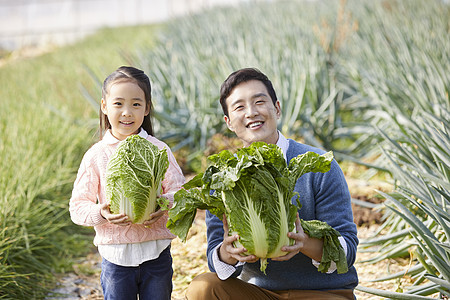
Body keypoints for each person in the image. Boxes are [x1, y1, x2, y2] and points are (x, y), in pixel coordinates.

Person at [186, 68, 358, 299]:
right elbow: (217, 263)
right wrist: (227, 252)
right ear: (228, 122)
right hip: (260, 293)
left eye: (259, 101)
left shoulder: (317, 165)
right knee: (203, 288)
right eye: (239, 107)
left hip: (321, 293)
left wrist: (305, 243)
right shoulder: (224, 176)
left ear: (276, 108)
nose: (251, 112)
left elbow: (347, 250)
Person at [69, 66, 185, 300]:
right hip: (115, 258)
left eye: (135, 104)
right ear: (104, 106)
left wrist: (165, 203)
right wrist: (101, 213)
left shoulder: (158, 149)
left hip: (157, 254)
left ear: (147, 108)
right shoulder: (96, 155)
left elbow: (180, 192)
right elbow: (77, 207)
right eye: (118, 103)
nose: (127, 112)